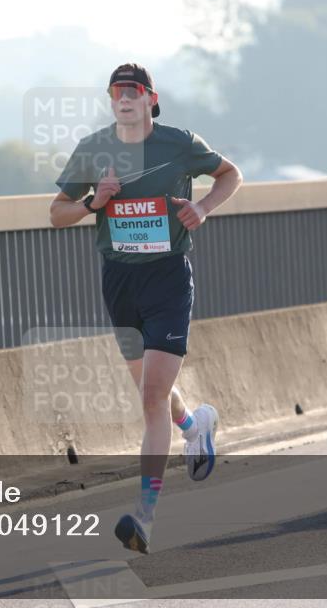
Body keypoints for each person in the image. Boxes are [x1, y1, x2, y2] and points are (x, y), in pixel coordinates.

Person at [49, 63, 242, 554]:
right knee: (153, 391)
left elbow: (229, 174)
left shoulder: (179, 143)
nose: (124, 98)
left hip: (167, 279)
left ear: (151, 99)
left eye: (134, 91)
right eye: (117, 92)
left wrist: (202, 209)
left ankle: (146, 517)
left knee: (151, 397)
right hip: (119, 282)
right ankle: (194, 426)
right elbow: (56, 214)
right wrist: (95, 202)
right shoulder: (95, 149)